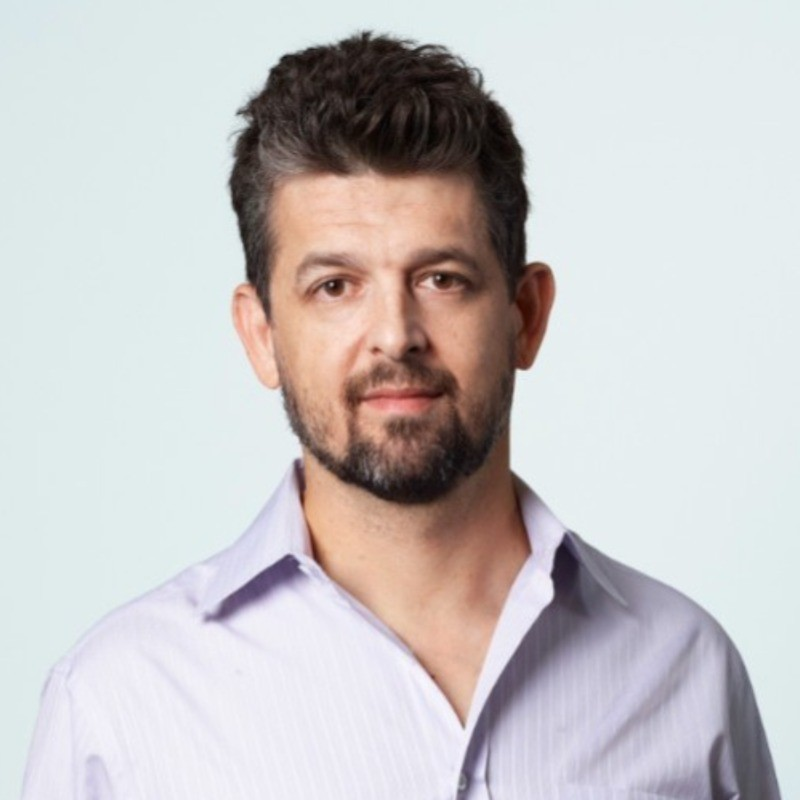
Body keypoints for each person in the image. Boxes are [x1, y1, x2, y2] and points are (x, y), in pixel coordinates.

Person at [22, 32, 780, 800]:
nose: (395, 334)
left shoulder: (689, 673)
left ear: (525, 315)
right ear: (261, 334)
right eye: (335, 286)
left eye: (442, 278)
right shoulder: (118, 707)